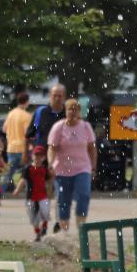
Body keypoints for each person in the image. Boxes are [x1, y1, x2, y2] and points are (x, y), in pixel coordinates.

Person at [48, 97, 97, 234]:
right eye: (70, 109)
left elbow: (92, 148)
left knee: (83, 195)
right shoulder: (59, 127)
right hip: (62, 170)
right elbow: (52, 148)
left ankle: (81, 229)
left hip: (82, 168)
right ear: (65, 111)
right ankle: (65, 231)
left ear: (79, 112)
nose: (72, 112)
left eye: (75, 110)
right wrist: (50, 165)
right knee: (63, 200)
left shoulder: (85, 127)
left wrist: (93, 166)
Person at [13, 145, 52, 240]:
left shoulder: (44, 169)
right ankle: (38, 234)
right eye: (36, 155)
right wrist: (17, 189)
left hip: (43, 196)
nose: (38, 157)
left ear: (44, 157)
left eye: (40, 155)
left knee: (46, 213)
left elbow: (49, 182)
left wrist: (50, 193)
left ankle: (45, 226)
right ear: (32, 156)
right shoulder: (28, 169)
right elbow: (23, 180)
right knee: (33, 218)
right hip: (31, 197)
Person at [2, 91, 33, 192]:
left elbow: (4, 129)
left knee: (7, 174)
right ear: (27, 102)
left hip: (11, 147)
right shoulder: (26, 116)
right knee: (28, 173)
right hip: (23, 148)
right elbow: (27, 133)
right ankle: (30, 195)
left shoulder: (11, 113)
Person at [28, 82, 67, 160]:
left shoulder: (68, 114)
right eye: (54, 95)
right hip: (41, 156)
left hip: (63, 157)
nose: (57, 98)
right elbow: (30, 134)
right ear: (50, 95)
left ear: (64, 97)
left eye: (60, 96)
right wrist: (27, 153)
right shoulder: (40, 112)